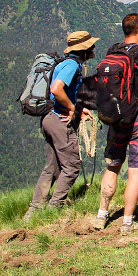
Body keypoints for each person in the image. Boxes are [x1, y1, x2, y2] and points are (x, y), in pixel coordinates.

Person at [92, 14, 138, 234]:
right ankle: (127, 221)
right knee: (135, 170)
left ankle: (101, 215)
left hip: (116, 116)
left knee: (112, 165)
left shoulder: (112, 52)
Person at [23, 31, 98, 221]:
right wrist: (72, 108)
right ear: (84, 50)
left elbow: (60, 93)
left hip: (49, 117)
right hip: (59, 121)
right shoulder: (72, 65)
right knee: (72, 166)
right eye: (91, 46)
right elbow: (56, 89)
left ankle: (34, 211)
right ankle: (54, 207)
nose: (94, 49)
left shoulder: (65, 63)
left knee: (53, 167)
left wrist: (79, 111)